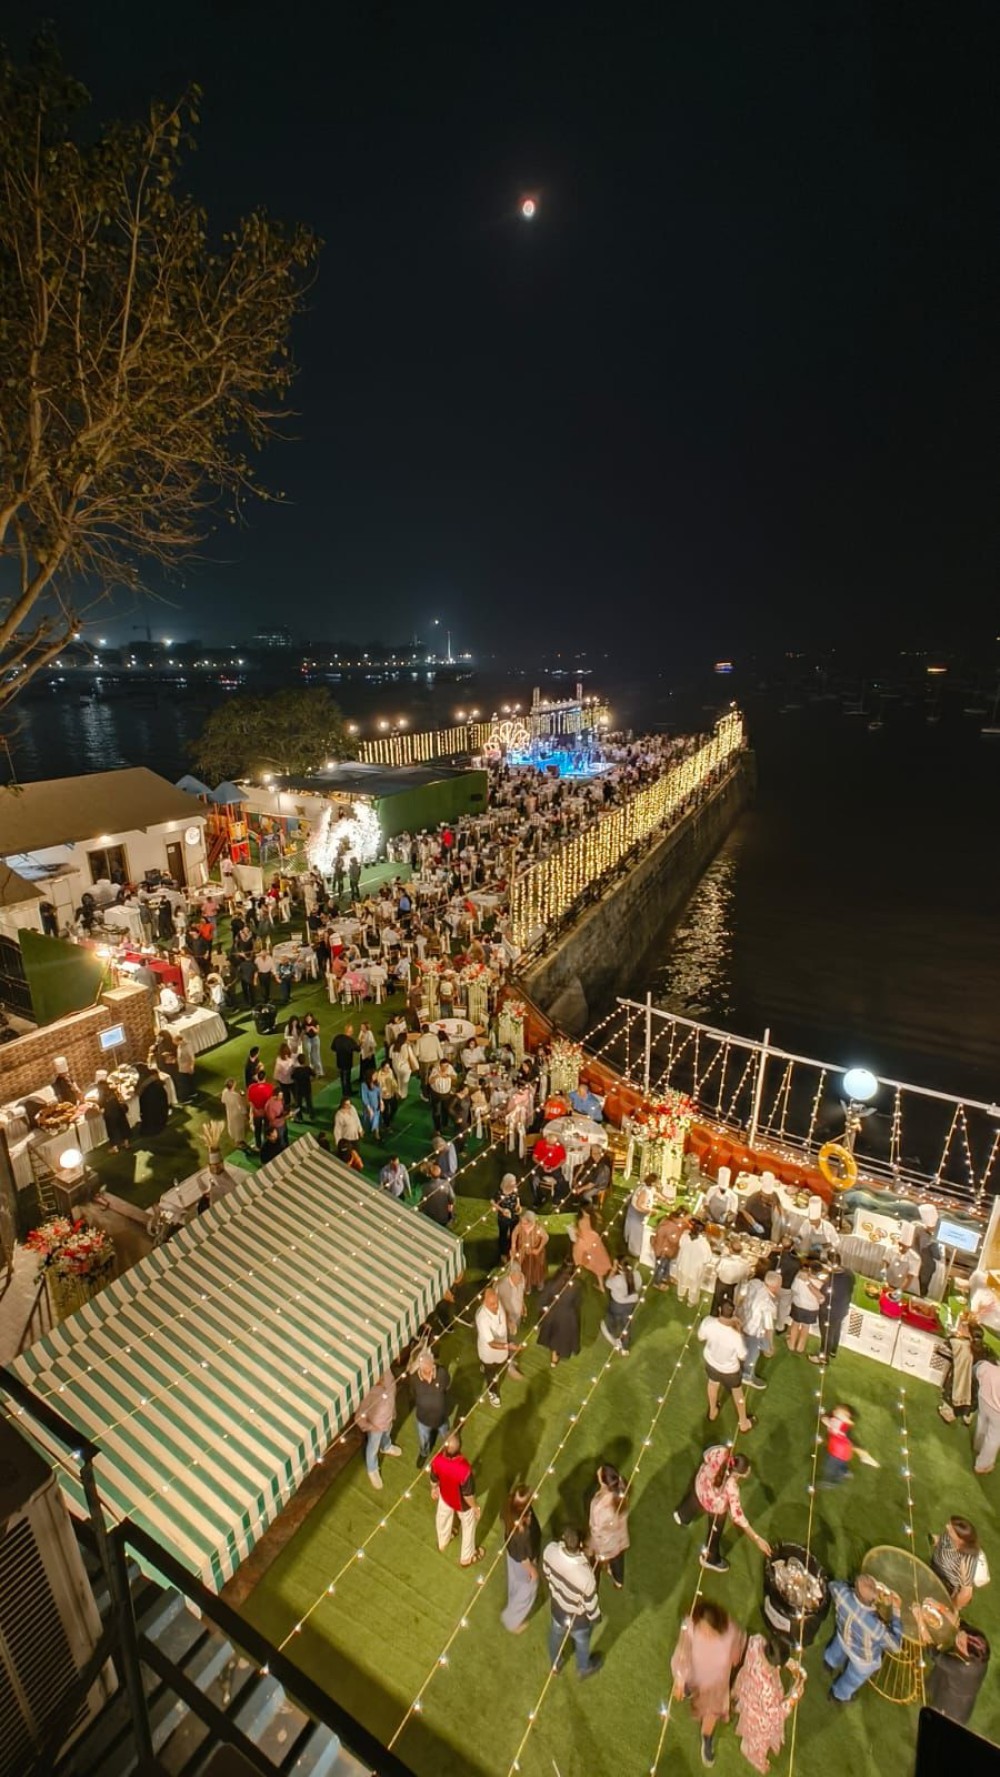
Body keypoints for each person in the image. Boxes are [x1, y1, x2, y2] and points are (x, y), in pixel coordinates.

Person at [670, 1599, 746, 1768]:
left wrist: (734, 1656)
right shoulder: (690, 1627)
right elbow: (682, 1652)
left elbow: (737, 1650)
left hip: (716, 1684)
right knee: (690, 1686)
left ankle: (707, 1738)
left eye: (710, 1631)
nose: (705, 1634)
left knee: (712, 1712)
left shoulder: (730, 1632)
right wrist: (680, 1680)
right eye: (702, 1629)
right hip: (695, 1674)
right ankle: (690, 1689)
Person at [673, 1446, 771, 1573]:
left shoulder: (722, 1451)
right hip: (713, 1505)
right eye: (747, 1470)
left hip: (700, 1485)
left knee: (695, 1498)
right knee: (716, 1529)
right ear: (739, 1474)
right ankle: (710, 1558)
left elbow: (706, 1455)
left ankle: (682, 1516)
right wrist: (757, 1539)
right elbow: (738, 1517)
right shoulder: (732, 1487)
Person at [732, 1635, 806, 1774]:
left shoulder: (756, 1641)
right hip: (759, 1714)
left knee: (746, 1716)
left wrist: (787, 1662)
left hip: (747, 1687)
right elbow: (775, 1714)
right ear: (778, 1666)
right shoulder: (768, 1690)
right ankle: (754, 1757)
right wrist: (793, 1698)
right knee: (757, 1740)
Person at [824, 1574, 903, 1702]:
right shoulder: (876, 1628)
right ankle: (837, 1694)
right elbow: (896, 1646)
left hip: (842, 1638)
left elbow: (832, 1585)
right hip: (862, 1659)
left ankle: (829, 1662)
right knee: (852, 1678)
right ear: (874, 1600)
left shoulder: (842, 1594)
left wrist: (851, 1587)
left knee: (837, 1648)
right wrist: (896, 1611)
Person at [542, 1526, 603, 1679]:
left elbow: (547, 1574)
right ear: (580, 1545)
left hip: (557, 1609)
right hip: (578, 1619)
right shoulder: (586, 1575)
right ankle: (583, 1668)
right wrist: (596, 1618)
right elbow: (590, 1605)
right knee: (582, 1641)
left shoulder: (550, 1551)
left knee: (555, 1635)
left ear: (563, 1539)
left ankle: (555, 1664)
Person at [698, 1305, 755, 1433]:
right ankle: (743, 1423)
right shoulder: (735, 1336)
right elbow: (742, 1356)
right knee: (737, 1392)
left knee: (713, 1383)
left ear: (719, 1310)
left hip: (711, 1363)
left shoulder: (708, 1322)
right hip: (730, 1370)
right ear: (733, 1314)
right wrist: (739, 1330)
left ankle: (713, 1411)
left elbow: (701, 1337)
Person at [429, 1432, 483, 1566]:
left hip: (445, 1496)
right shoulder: (464, 1468)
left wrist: (434, 1489)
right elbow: (468, 1495)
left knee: (442, 1517)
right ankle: (466, 1557)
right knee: (468, 1526)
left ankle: (443, 1541)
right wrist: (475, 1507)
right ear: (460, 1447)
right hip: (462, 1505)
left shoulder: (437, 1459)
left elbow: (433, 1479)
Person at [926, 1623, 991, 1727]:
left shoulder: (962, 1668)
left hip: (951, 1706)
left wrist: (924, 1632)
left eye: (960, 1643)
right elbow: (964, 1630)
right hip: (963, 1700)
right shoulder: (980, 1657)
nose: (957, 1638)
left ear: (969, 1654)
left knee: (941, 1724)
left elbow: (934, 1655)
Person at [500, 1482, 541, 1632]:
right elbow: (525, 1561)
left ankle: (512, 1608)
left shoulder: (510, 1511)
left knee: (515, 1585)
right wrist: (534, 1574)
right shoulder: (522, 1534)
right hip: (523, 1564)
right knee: (525, 1594)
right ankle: (512, 1622)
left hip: (513, 1556)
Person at [355, 1369, 402, 1490]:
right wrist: (371, 1427)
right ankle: (372, 1469)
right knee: (372, 1448)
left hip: (389, 1419)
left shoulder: (387, 1374)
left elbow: (392, 1392)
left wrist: (393, 1412)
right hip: (376, 1427)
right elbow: (359, 1418)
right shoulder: (367, 1394)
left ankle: (386, 1447)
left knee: (386, 1435)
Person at [476, 1285, 521, 1403]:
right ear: (484, 1303)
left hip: (502, 1347)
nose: (496, 1305)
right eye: (492, 1304)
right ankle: (493, 1392)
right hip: (489, 1352)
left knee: (501, 1363)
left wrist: (509, 1322)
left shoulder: (497, 1302)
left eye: (496, 1302)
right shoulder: (482, 1318)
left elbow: (503, 1311)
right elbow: (491, 1343)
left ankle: (486, 1368)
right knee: (491, 1374)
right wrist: (508, 1346)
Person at [587, 1464, 630, 1589]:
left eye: (600, 1473)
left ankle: (592, 1588)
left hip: (605, 1542)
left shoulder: (598, 1504)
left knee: (595, 1564)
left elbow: (595, 1528)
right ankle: (618, 1581)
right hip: (620, 1537)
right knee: (618, 1558)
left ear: (604, 1481)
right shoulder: (621, 1492)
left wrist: (593, 1545)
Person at [536, 1259, 583, 1368]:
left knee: (555, 1335)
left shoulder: (552, 1283)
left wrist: (544, 1308)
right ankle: (558, 1354)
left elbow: (542, 1300)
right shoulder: (576, 1285)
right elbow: (578, 1301)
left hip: (553, 1313)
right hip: (568, 1314)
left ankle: (554, 1357)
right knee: (563, 1335)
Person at [818, 1405, 880, 1488]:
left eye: (838, 1410)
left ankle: (833, 1480)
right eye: (835, 1410)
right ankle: (844, 1472)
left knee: (829, 1466)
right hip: (839, 1450)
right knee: (840, 1463)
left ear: (846, 1415)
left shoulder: (844, 1424)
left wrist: (843, 1418)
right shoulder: (834, 1420)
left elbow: (850, 1422)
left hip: (839, 1451)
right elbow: (826, 1421)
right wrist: (824, 1418)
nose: (835, 1411)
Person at [929, 1517, 984, 1610]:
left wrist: (952, 1607)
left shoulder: (966, 1560)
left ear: (960, 1540)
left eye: (951, 1528)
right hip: (934, 1569)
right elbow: (943, 1542)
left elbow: (966, 1593)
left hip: (946, 1584)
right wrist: (936, 1540)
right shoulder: (950, 1536)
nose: (947, 1526)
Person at [409, 1348, 450, 1468]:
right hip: (423, 1419)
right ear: (420, 1368)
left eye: (431, 1369)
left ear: (433, 1365)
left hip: (441, 1418)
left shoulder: (442, 1373)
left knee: (447, 1437)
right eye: (426, 1371)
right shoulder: (414, 1379)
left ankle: (449, 1453)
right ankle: (424, 1453)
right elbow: (413, 1393)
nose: (430, 1374)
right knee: (424, 1440)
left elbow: (446, 1385)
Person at [739, 1271, 781, 1389]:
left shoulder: (755, 1283)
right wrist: (770, 1345)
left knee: (742, 1348)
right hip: (754, 1331)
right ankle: (747, 1376)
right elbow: (768, 1327)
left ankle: (739, 1368)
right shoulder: (768, 1304)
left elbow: (742, 1293)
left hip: (742, 1321)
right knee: (752, 1354)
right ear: (774, 1287)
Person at [811, 1257, 856, 1364]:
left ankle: (823, 1357)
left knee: (827, 1333)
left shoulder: (831, 1281)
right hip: (843, 1308)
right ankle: (833, 1350)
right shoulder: (849, 1272)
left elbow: (821, 1296)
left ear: (830, 1263)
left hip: (829, 1311)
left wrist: (808, 1283)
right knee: (836, 1329)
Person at [601, 1258, 640, 1352]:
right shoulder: (637, 1275)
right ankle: (625, 1347)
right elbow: (638, 1287)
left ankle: (612, 1332)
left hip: (618, 1304)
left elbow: (607, 1283)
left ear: (620, 1268)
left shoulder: (618, 1279)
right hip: (631, 1304)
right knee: (626, 1324)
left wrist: (613, 1270)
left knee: (612, 1318)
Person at [786, 1263, 824, 1355]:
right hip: (812, 1309)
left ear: (810, 1269)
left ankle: (791, 1344)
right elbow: (822, 1299)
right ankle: (800, 1347)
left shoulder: (799, 1279)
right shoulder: (821, 1284)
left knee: (795, 1324)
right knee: (806, 1327)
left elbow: (793, 1289)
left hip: (799, 1305)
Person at [973, 1354, 1000, 1474]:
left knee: (982, 1423)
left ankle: (978, 1446)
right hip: (997, 1411)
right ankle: (982, 1465)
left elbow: (976, 1371)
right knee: (994, 1438)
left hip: (983, 1400)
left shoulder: (988, 1367)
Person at [675, 1220, 712, 1307]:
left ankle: (680, 1295)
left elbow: (680, 1244)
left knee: (682, 1282)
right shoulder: (704, 1244)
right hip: (695, 1270)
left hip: (683, 1265)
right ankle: (691, 1301)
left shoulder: (685, 1236)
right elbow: (707, 1259)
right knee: (694, 1287)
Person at [572, 1210, 612, 1289]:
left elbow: (580, 1234)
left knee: (581, 1254)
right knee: (598, 1259)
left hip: (585, 1241)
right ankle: (601, 1285)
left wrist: (575, 1230)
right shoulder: (588, 1216)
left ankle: (578, 1269)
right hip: (593, 1238)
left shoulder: (580, 1220)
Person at [511, 1210, 549, 1292]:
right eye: (521, 1222)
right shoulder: (520, 1226)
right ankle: (527, 1285)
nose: (522, 1225)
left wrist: (538, 1249)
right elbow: (514, 1233)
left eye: (525, 1223)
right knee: (524, 1269)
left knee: (537, 1269)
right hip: (523, 1251)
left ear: (531, 1222)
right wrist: (513, 1246)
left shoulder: (538, 1228)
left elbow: (546, 1238)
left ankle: (539, 1282)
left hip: (535, 1252)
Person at [95, 1070, 130, 1151]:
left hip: (110, 1115)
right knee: (123, 1127)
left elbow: (101, 1109)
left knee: (112, 1130)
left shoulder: (102, 1096)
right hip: (119, 1112)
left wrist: (96, 1107)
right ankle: (126, 1144)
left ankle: (115, 1147)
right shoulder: (113, 1091)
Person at [624, 1176, 656, 1259]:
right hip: (637, 1214)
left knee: (631, 1229)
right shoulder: (645, 1191)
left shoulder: (643, 1186)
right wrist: (651, 1210)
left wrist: (665, 1200)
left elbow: (655, 1193)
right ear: (653, 1182)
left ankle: (627, 1241)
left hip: (632, 1211)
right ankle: (634, 1251)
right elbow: (639, 1204)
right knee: (636, 1232)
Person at [492, 1173, 521, 1263]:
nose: (514, 1184)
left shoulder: (514, 1190)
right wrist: (502, 1210)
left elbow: (517, 1199)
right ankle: (503, 1253)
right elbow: (492, 1202)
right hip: (503, 1218)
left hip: (514, 1217)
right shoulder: (499, 1193)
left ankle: (513, 1251)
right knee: (503, 1236)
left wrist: (518, 1206)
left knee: (514, 1234)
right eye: (512, 1183)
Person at [651, 1210, 684, 1289]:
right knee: (660, 1267)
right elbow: (673, 1239)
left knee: (666, 1264)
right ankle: (657, 1283)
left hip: (667, 1251)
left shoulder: (673, 1225)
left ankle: (665, 1277)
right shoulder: (669, 1226)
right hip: (662, 1251)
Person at [498, 1258, 527, 1347]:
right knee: (506, 1335)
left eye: (520, 1274)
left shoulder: (522, 1279)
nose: (520, 1279)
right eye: (517, 1276)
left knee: (514, 1333)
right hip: (507, 1317)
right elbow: (501, 1307)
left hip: (517, 1315)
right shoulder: (503, 1287)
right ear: (511, 1274)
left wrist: (523, 1305)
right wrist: (509, 1322)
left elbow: (521, 1294)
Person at [332, 1024, 360, 1098]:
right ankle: (347, 1093)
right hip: (347, 1062)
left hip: (339, 1061)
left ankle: (346, 1091)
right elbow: (358, 1049)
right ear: (350, 1031)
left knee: (342, 1077)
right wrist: (360, 1043)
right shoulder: (350, 1041)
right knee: (347, 1078)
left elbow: (333, 1048)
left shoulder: (338, 1038)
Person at [247, 1067, 272, 1149]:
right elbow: (270, 1102)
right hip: (266, 1112)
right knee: (267, 1128)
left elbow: (250, 1102)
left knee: (257, 1130)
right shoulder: (269, 1087)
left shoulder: (251, 1088)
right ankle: (267, 1144)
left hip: (257, 1113)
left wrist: (255, 1110)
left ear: (257, 1077)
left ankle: (258, 1145)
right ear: (265, 1077)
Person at [221, 1077, 249, 1150]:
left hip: (229, 1112)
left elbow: (223, 1101)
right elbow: (241, 1106)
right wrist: (242, 1096)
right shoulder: (236, 1096)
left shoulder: (224, 1092)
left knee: (232, 1126)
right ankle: (238, 1142)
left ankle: (236, 1140)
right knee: (239, 1127)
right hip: (237, 1114)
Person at [289, 1049, 315, 1119]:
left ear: (298, 1061)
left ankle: (299, 1117)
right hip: (307, 1088)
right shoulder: (307, 1069)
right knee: (309, 1103)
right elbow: (314, 1075)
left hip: (299, 1090)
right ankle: (312, 1116)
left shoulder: (296, 1070)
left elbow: (292, 1077)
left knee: (299, 1104)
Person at [360, 1071, 383, 1140]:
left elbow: (379, 1093)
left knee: (376, 1118)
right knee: (367, 1119)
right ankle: (363, 1130)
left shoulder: (377, 1083)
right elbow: (364, 1097)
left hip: (376, 1104)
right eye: (374, 1075)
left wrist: (381, 1102)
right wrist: (369, 1108)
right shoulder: (364, 1085)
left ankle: (376, 1133)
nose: (376, 1077)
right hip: (368, 1105)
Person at [175, 1033, 196, 1103]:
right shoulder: (179, 1046)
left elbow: (192, 1057)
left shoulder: (187, 1046)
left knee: (184, 1083)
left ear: (179, 1040)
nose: (175, 1044)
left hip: (186, 1067)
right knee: (189, 1081)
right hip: (182, 1067)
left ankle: (185, 1098)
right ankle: (192, 1093)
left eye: (176, 1042)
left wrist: (192, 1067)